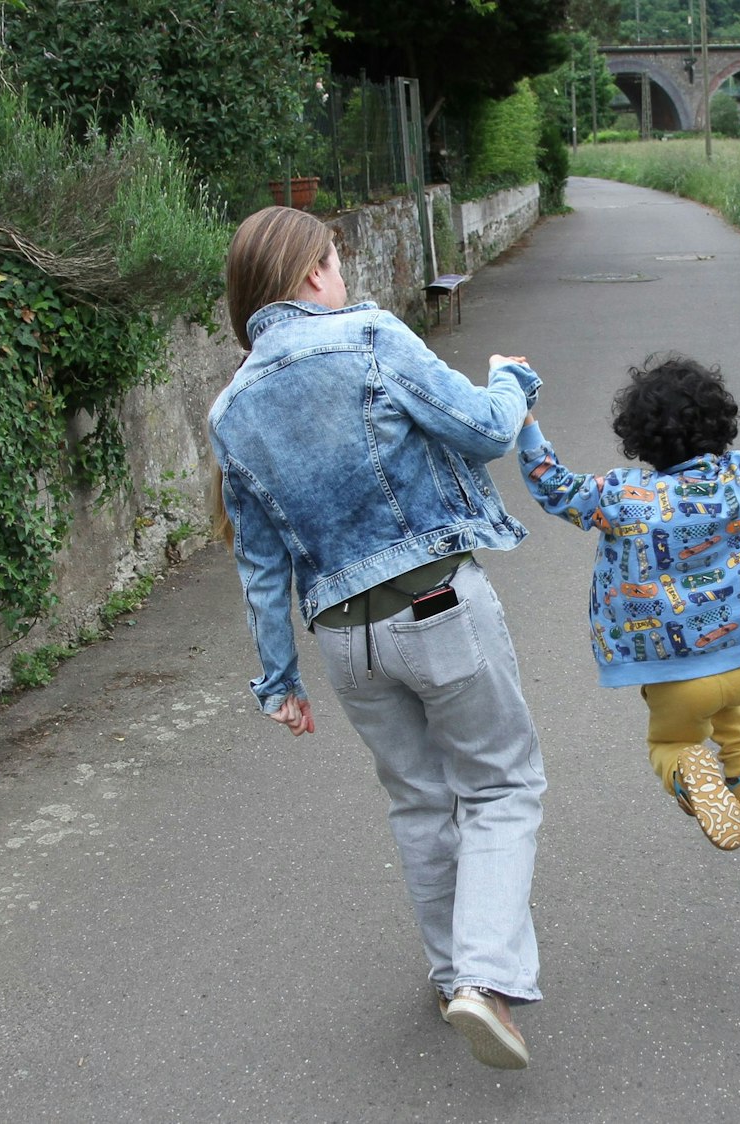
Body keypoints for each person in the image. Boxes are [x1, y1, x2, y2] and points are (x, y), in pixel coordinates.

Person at [208, 206, 547, 1070]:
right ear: (315, 273)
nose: (342, 276)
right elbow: (485, 430)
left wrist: (279, 682)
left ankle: (450, 978)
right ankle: (484, 979)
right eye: (335, 260)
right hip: (435, 603)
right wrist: (511, 378)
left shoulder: (230, 408)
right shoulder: (367, 335)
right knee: (501, 786)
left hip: (342, 643)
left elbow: (257, 563)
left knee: (420, 801)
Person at [514, 313, 740, 850]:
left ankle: (689, 769)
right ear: (723, 421)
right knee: (730, 695)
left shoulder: (620, 496)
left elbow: (553, 484)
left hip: (676, 677)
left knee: (673, 738)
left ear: (637, 439)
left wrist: (524, 417)